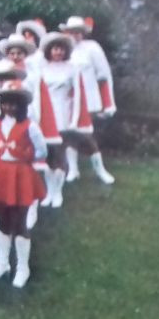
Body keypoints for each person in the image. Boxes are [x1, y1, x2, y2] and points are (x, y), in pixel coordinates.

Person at [0, 84, 47, 289]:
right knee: (1, 220)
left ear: (22, 106)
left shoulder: (29, 126)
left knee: (19, 222)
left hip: (20, 174)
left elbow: (42, 151)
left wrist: (26, 156)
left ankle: (23, 268)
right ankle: (2, 263)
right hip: (0, 173)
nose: (8, 107)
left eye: (13, 103)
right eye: (5, 103)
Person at [36, 31, 102, 206]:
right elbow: (37, 94)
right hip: (45, 116)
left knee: (60, 155)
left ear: (65, 51)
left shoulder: (72, 68)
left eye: (61, 49)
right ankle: (48, 192)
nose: (57, 52)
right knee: (48, 156)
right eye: (54, 49)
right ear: (49, 51)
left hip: (64, 115)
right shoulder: (42, 69)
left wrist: (74, 119)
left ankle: (58, 193)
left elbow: (78, 96)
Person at [62, 15, 118, 184]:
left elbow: (103, 75)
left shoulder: (92, 48)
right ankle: (73, 169)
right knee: (70, 135)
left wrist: (106, 101)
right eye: (72, 32)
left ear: (83, 33)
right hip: (69, 99)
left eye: (78, 32)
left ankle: (100, 170)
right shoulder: (63, 49)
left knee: (85, 134)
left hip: (88, 98)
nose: (75, 35)